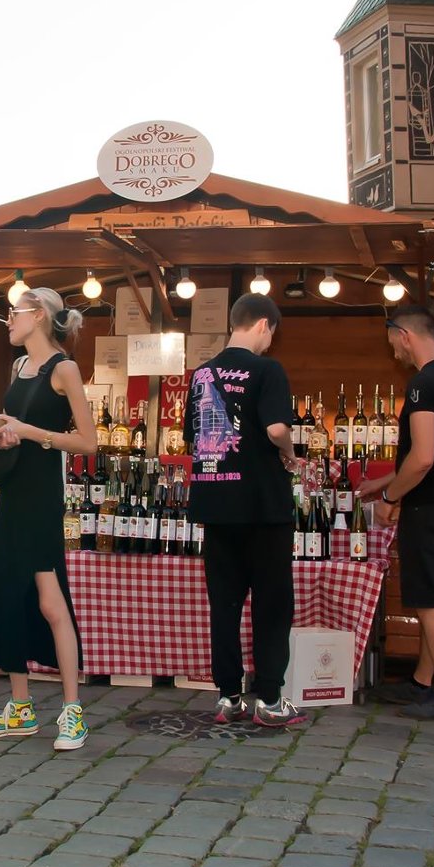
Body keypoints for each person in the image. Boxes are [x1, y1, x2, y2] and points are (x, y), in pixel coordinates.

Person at [0, 287, 97, 750]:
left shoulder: (62, 368)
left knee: (50, 597)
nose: (8, 320)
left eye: (14, 312)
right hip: (11, 491)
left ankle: (72, 710)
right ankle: (20, 708)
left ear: (39, 316)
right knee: (7, 595)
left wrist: (29, 433)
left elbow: (88, 442)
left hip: (41, 495)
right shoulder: (18, 367)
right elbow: (13, 429)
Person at [186, 293, 303, 728]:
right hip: (262, 506)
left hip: (216, 504)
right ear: (264, 326)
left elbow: (193, 437)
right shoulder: (268, 369)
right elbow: (276, 428)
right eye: (272, 334)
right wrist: (289, 453)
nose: (271, 343)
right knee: (272, 604)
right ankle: (270, 700)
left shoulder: (200, 375)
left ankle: (228, 696)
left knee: (225, 604)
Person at [361, 307, 434, 721]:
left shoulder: (422, 384)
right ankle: (423, 683)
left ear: (404, 333)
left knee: (428, 602)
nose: (394, 351)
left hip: (429, 506)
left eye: (393, 341)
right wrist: (384, 481)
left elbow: (424, 457)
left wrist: (390, 497)